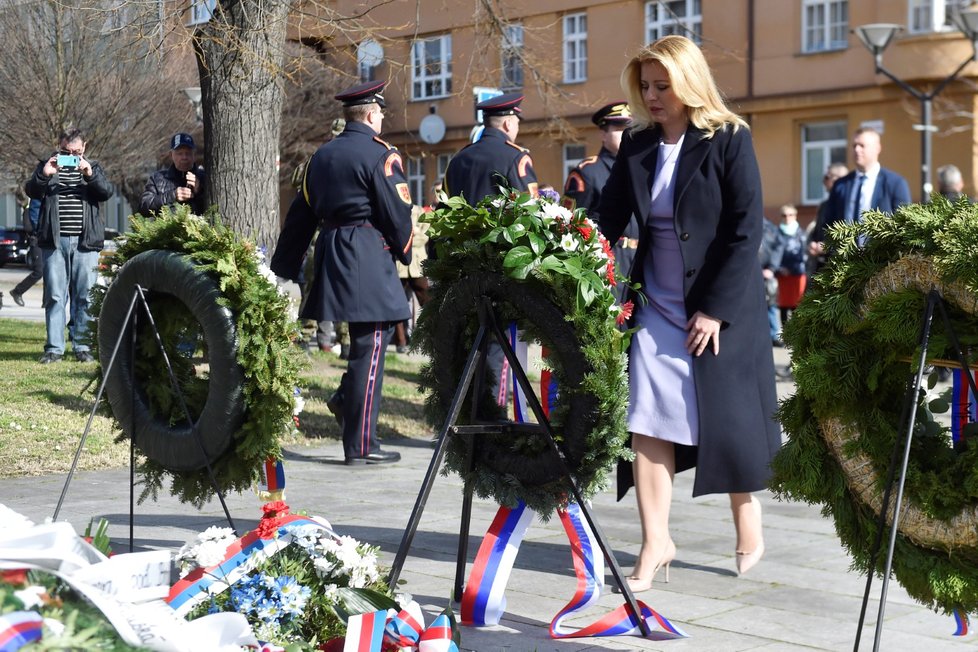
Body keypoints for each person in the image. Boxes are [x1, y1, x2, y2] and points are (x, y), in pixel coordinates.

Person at [596, 35, 781, 588]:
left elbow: (746, 230)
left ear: (687, 82)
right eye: (645, 87)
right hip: (655, 304)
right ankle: (656, 542)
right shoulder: (635, 147)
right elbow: (605, 221)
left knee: (725, 417)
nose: (651, 97)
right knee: (646, 419)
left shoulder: (728, 138)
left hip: (718, 305)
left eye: (661, 86)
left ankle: (746, 514)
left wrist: (715, 311)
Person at [270, 80, 413, 466]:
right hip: (367, 252)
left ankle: (344, 402)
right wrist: (405, 251)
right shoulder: (381, 154)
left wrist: (283, 267)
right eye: (380, 112)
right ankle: (362, 445)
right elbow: (396, 212)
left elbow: (301, 215)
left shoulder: (322, 157)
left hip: (332, 250)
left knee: (365, 348)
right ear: (370, 114)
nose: (382, 118)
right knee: (371, 346)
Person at [443, 92, 538, 411]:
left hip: (464, 266)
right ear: (510, 122)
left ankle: (472, 410)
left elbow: (445, 213)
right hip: (503, 264)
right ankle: (496, 418)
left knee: (473, 340)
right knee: (501, 340)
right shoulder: (516, 157)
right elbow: (532, 214)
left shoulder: (459, 159)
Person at [26, 128, 113, 363]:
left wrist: (90, 174)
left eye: (76, 151)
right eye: (66, 151)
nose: (71, 155)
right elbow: (31, 191)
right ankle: (54, 348)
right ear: (59, 145)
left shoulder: (93, 167)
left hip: (85, 242)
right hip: (54, 242)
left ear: (84, 147)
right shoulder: (47, 165)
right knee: (55, 296)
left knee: (85, 296)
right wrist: (44, 175)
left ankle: (82, 345)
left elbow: (106, 192)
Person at [563, 101, 639, 300]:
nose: (627, 134)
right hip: (610, 260)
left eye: (630, 128)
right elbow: (573, 223)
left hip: (641, 261)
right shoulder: (588, 171)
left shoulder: (641, 168)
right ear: (603, 134)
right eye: (620, 129)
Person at [810, 127, 910, 251]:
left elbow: (904, 226)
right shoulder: (841, 185)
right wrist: (826, 245)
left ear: (877, 148)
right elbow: (829, 223)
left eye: (862, 145)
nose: (857, 150)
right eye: (854, 146)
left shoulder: (895, 183)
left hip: (882, 262)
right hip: (845, 262)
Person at [139, 133, 207, 216]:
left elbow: (215, 209)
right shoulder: (157, 179)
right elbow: (143, 207)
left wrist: (199, 190)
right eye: (180, 153)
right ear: (171, 155)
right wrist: (172, 196)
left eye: (188, 153)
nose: (184, 157)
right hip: (167, 228)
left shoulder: (205, 177)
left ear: (194, 155)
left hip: (199, 228)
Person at [806, 162, 848, 279]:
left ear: (839, 180)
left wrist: (827, 247)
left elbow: (850, 236)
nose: (824, 182)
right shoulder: (824, 205)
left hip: (840, 268)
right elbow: (817, 233)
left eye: (827, 177)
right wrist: (812, 245)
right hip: (820, 266)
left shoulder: (849, 206)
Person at [775, 204, 806, 327]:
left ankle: (796, 331)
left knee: (797, 303)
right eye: (784, 215)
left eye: (790, 215)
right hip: (782, 275)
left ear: (795, 215)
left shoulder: (801, 233)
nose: (787, 218)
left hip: (797, 274)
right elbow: (772, 253)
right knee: (783, 303)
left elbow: (805, 255)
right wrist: (780, 269)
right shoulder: (776, 233)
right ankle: (785, 332)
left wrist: (793, 268)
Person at [9, 194, 43, 308]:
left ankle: (47, 301)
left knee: (49, 272)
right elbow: (29, 228)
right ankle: (17, 291)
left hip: (45, 243)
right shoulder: (29, 211)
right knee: (39, 271)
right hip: (36, 243)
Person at [759, 217, 784, 346]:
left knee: (771, 304)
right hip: (752, 273)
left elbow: (779, 247)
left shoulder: (770, 227)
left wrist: (772, 268)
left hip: (768, 274)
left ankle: (775, 335)